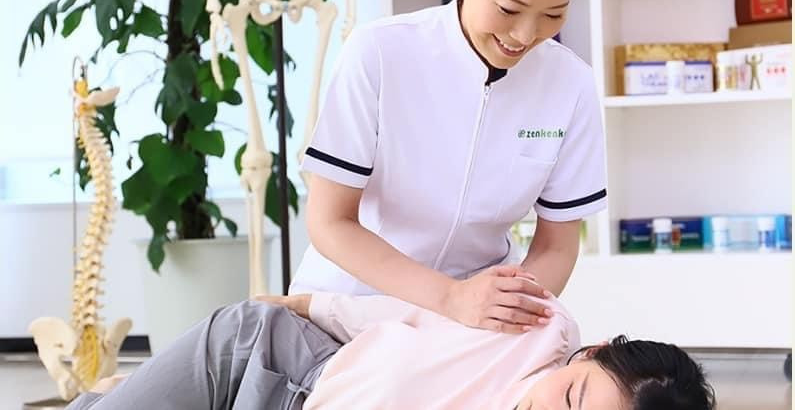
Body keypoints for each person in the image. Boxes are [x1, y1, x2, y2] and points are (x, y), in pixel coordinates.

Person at [292, 0, 606, 334]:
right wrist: (450, 300)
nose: (525, 35)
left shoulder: (570, 84)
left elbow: (556, 245)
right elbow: (330, 222)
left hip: (474, 325)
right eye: (509, 8)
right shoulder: (379, 53)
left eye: (553, 15)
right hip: (346, 310)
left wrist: (512, 314)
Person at [66, 292, 716, 410]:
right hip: (269, 361)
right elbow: (415, 310)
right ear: (591, 353)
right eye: (571, 399)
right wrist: (307, 303)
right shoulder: (538, 326)